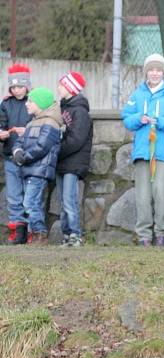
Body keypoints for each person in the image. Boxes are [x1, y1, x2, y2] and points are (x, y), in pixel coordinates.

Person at [121, 53, 164, 247]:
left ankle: (162, 233)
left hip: (163, 153)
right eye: (151, 70)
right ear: (146, 73)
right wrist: (138, 119)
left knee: (161, 191)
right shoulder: (138, 93)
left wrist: (161, 122)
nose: (155, 73)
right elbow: (126, 117)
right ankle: (143, 236)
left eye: (159, 70)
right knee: (142, 194)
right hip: (142, 152)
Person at [12, 87, 63, 245]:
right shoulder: (32, 122)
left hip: (39, 171)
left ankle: (40, 233)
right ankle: (34, 235)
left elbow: (42, 147)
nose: (26, 104)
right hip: (28, 169)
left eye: (30, 101)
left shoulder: (51, 123)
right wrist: (17, 152)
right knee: (31, 203)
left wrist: (24, 157)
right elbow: (19, 142)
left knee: (30, 203)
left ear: (40, 104)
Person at [56, 71, 93, 247]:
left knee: (70, 200)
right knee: (63, 201)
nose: (59, 88)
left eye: (62, 85)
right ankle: (66, 234)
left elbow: (77, 139)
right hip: (62, 163)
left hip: (73, 163)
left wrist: (57, 151)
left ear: (70, 89)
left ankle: (75, 234)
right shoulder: (62, 108)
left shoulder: (80, 112)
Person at [0, 64, 32, 245]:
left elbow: (39, 123)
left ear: (27, 85)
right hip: (10, 156)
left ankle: (31, 230)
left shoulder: (33, 101)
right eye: (13, 87)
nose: (16, 90)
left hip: (29, 156)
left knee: (30, 195)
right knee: (13, 196)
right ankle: (16, 231)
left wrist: (25, 131)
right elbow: (1, 123)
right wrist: (1, 133)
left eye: (20, 86)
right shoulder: (5, 104)